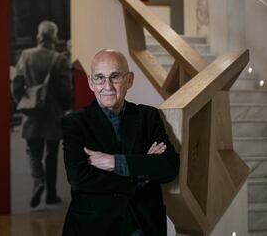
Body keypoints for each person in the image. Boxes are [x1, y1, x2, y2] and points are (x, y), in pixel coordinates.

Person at [61, 49, 179, 236]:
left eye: (115, 76)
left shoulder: (148, 116)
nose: (107, 86)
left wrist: (115, 162)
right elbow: (79, 179)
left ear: (129, 80)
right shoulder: (75, 123)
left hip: (143, 226)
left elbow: (169, 166)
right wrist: (141, 174)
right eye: (99, 77)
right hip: (94, 228)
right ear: (91, 82)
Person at [13, 20, 72, 208]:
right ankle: (51, 194)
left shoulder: (26, 56)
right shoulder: (59, 59)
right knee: (51, 154)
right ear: (54, 36)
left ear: (39, 35)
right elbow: (66, 90)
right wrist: (64, 107)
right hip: (53, 115)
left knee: (33, 152)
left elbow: (16, 84)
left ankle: (38, 182)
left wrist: (23, 102)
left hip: (31, 114)